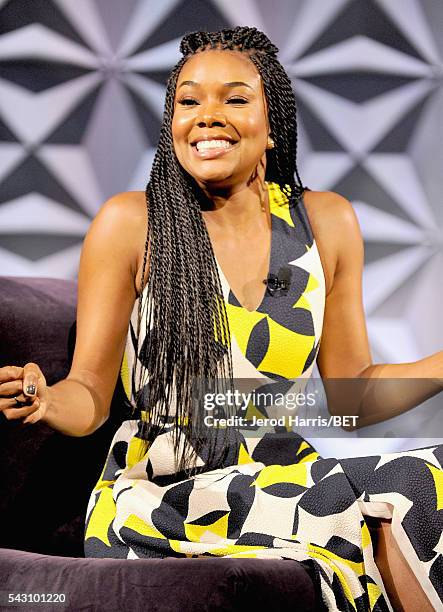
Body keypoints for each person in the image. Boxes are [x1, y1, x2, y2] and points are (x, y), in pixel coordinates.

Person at [0, 26, 442, 611]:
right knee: (402, 484)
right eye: (189, 101)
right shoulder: (132, 222)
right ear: (171, 121)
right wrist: (49, 400)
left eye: (234, 98)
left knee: (431, 469)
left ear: (272, 122)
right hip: (160, 492)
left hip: (285, 472)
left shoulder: (326, 223)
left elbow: (348, 399)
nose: (207, 116)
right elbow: (89, 394)